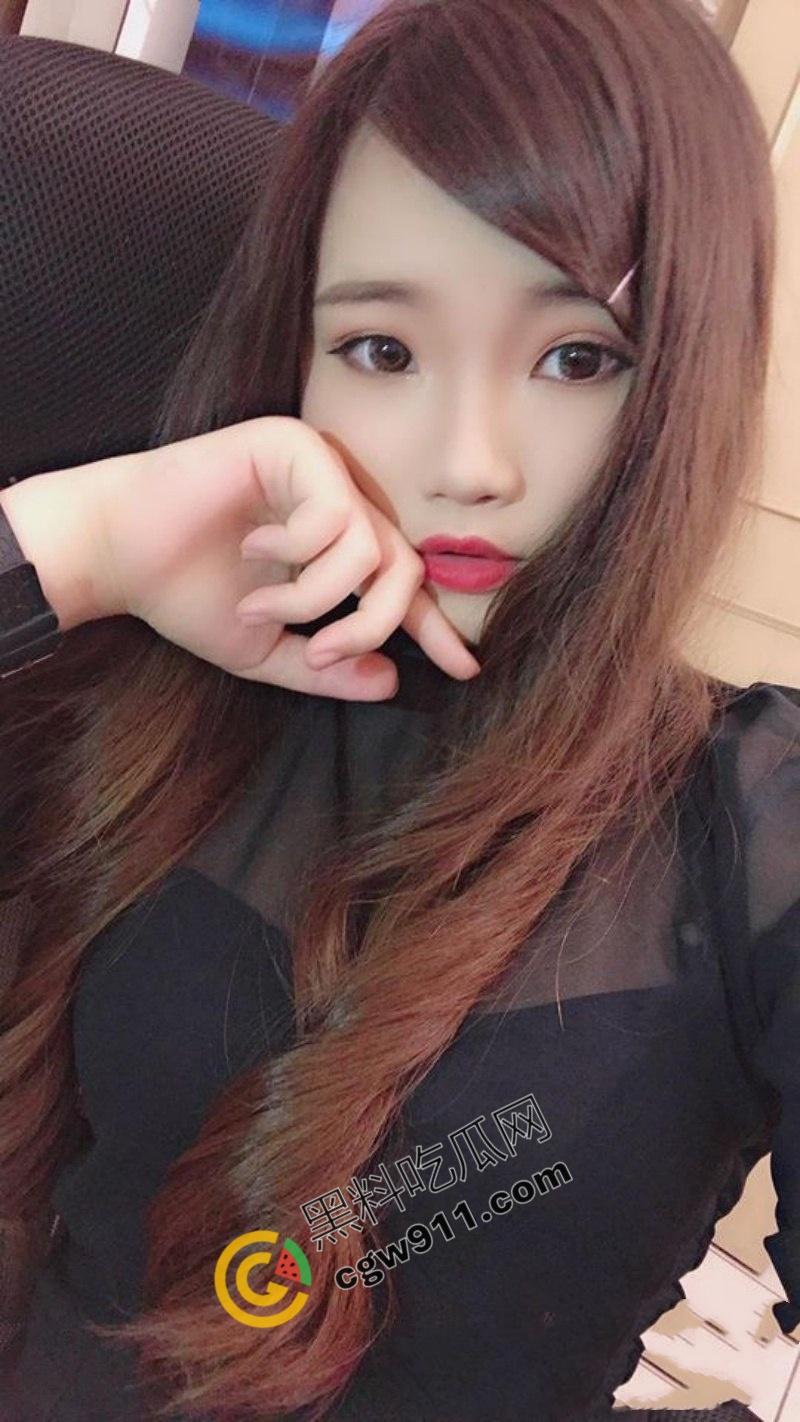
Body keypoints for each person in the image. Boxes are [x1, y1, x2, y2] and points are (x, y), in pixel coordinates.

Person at [0, 0, 797, 1419]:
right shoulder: (161, 685)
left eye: (576, 357)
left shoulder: (755, 829)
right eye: (381, 348)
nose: (470, 462)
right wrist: (86, 545)